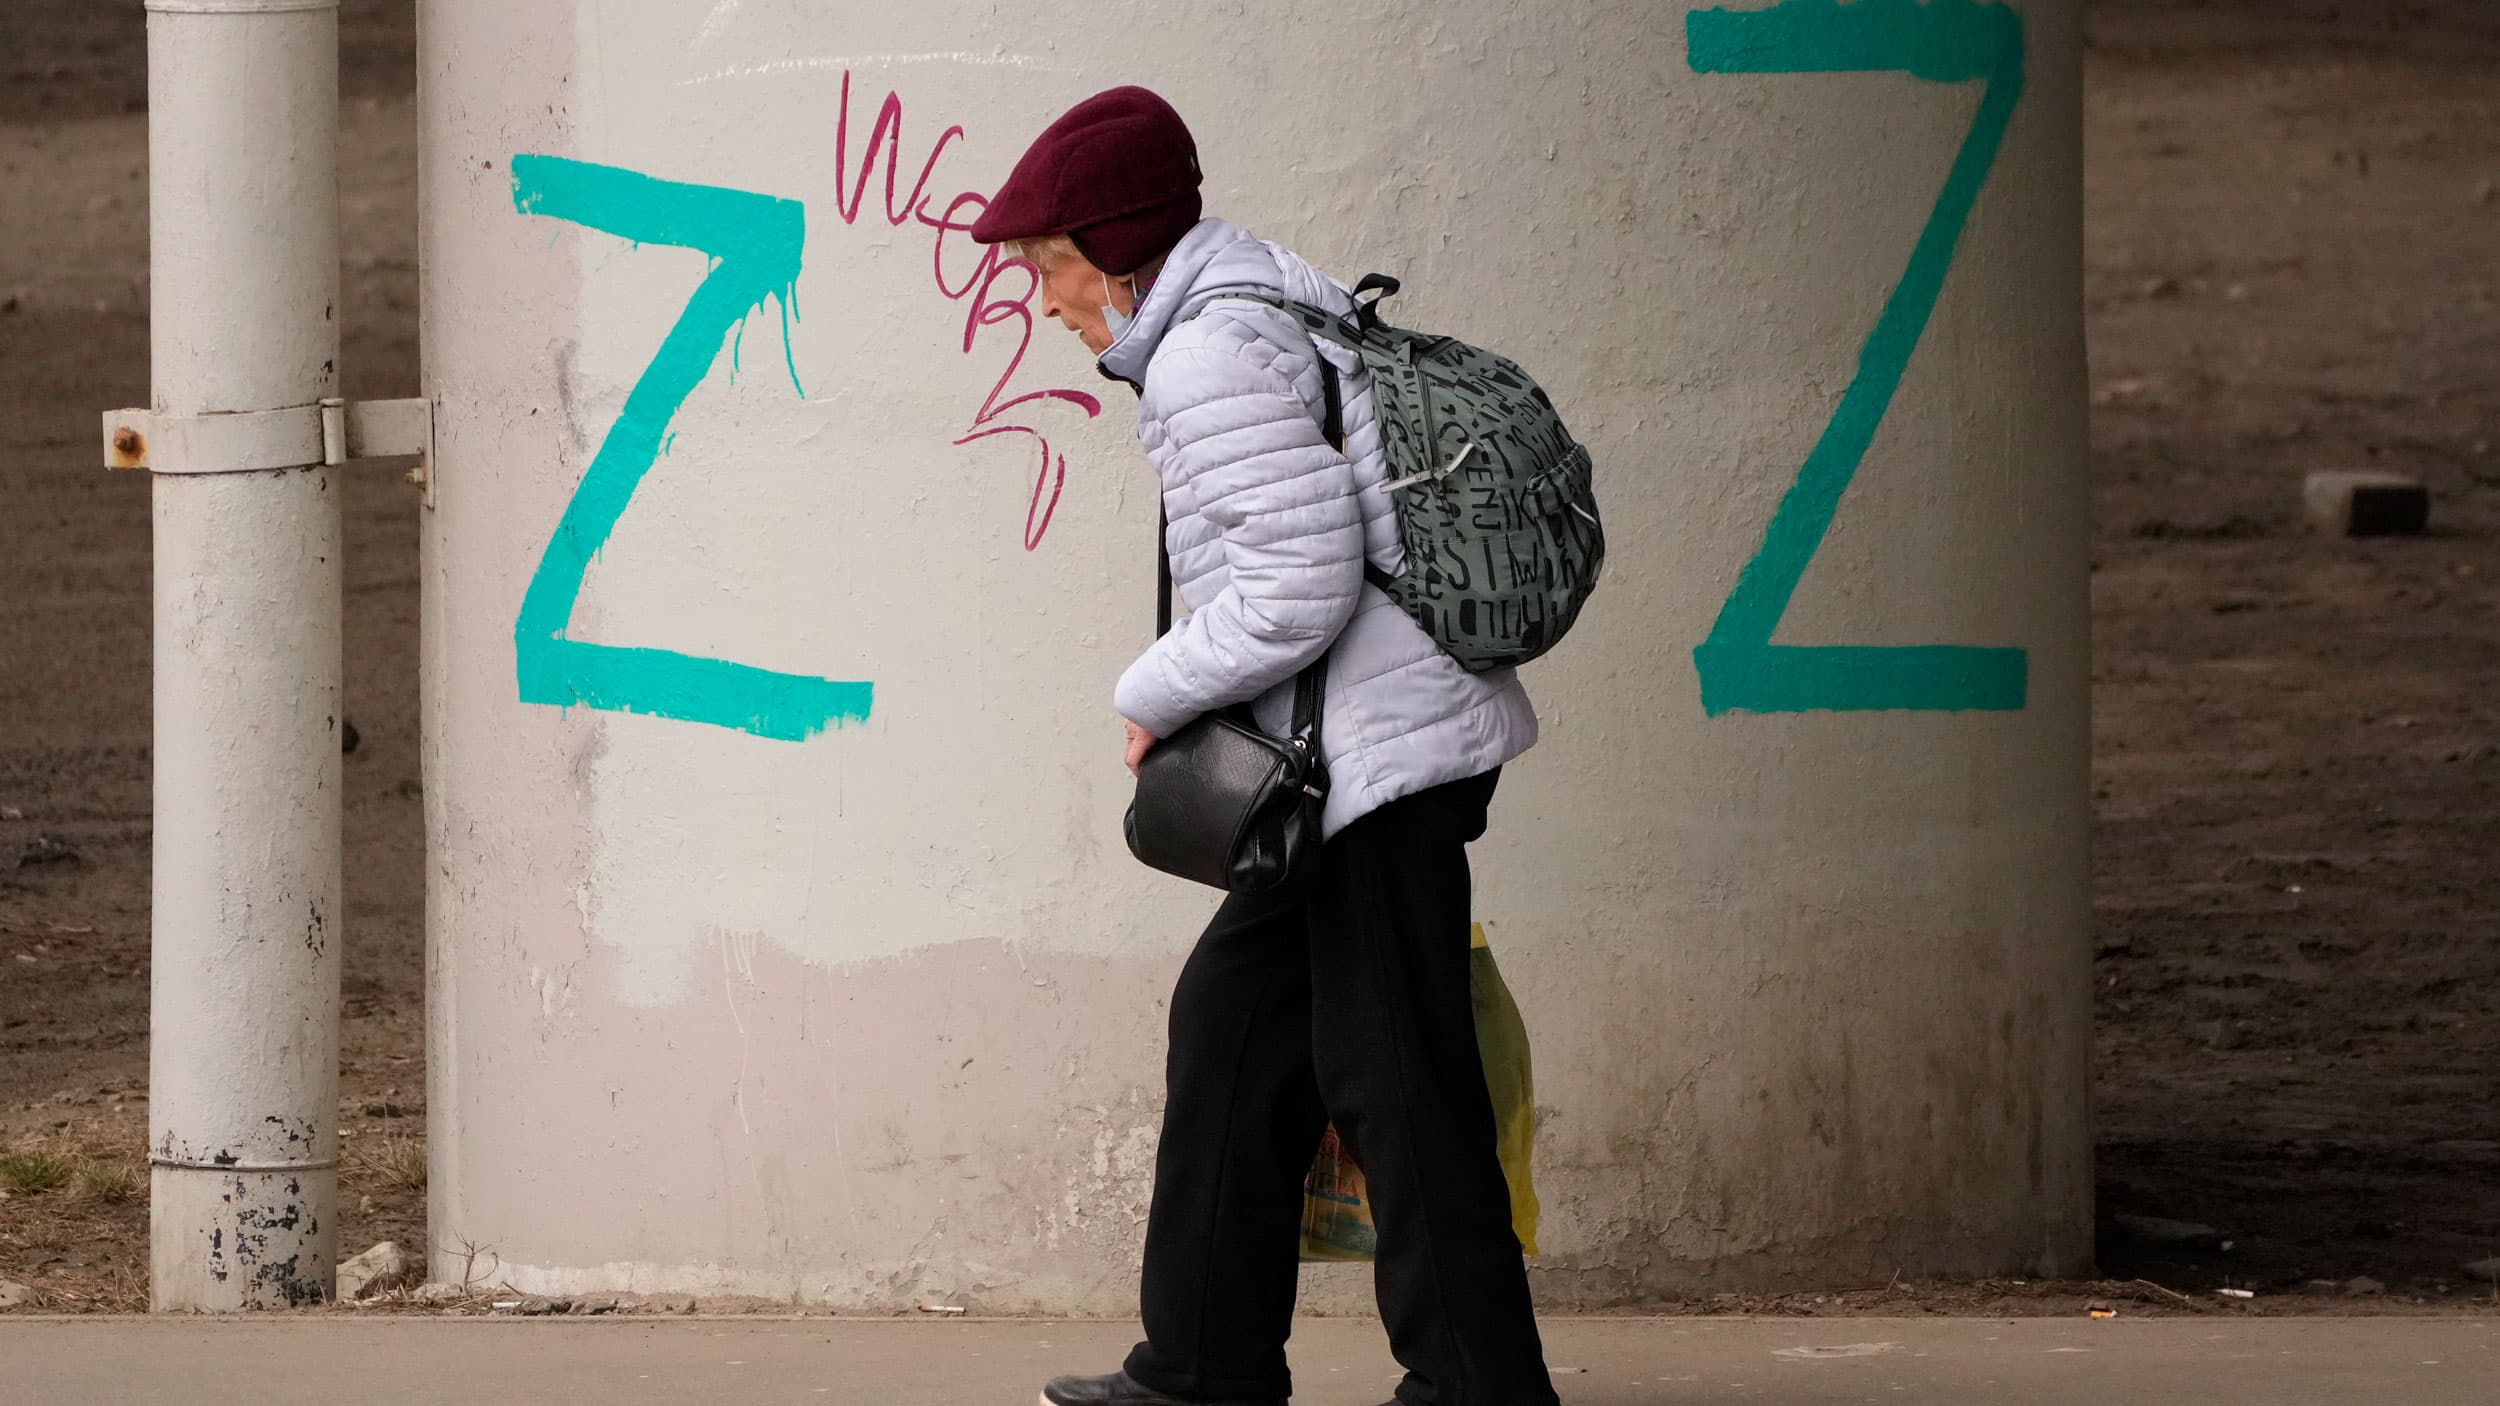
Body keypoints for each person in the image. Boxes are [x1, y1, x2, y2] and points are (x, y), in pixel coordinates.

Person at [972, 87, 1557, 1406]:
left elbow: (1298, 582)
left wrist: (1154, 689)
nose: (1045, 303)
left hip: (1374, 766)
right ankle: (1200, 1363)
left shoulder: (1207, 352)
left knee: (1396, 1071)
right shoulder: (1250, 297)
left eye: (1048, 270)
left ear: (1113, 255)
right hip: (1338, 758)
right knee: (1235, 1027)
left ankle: (1479, 1382)